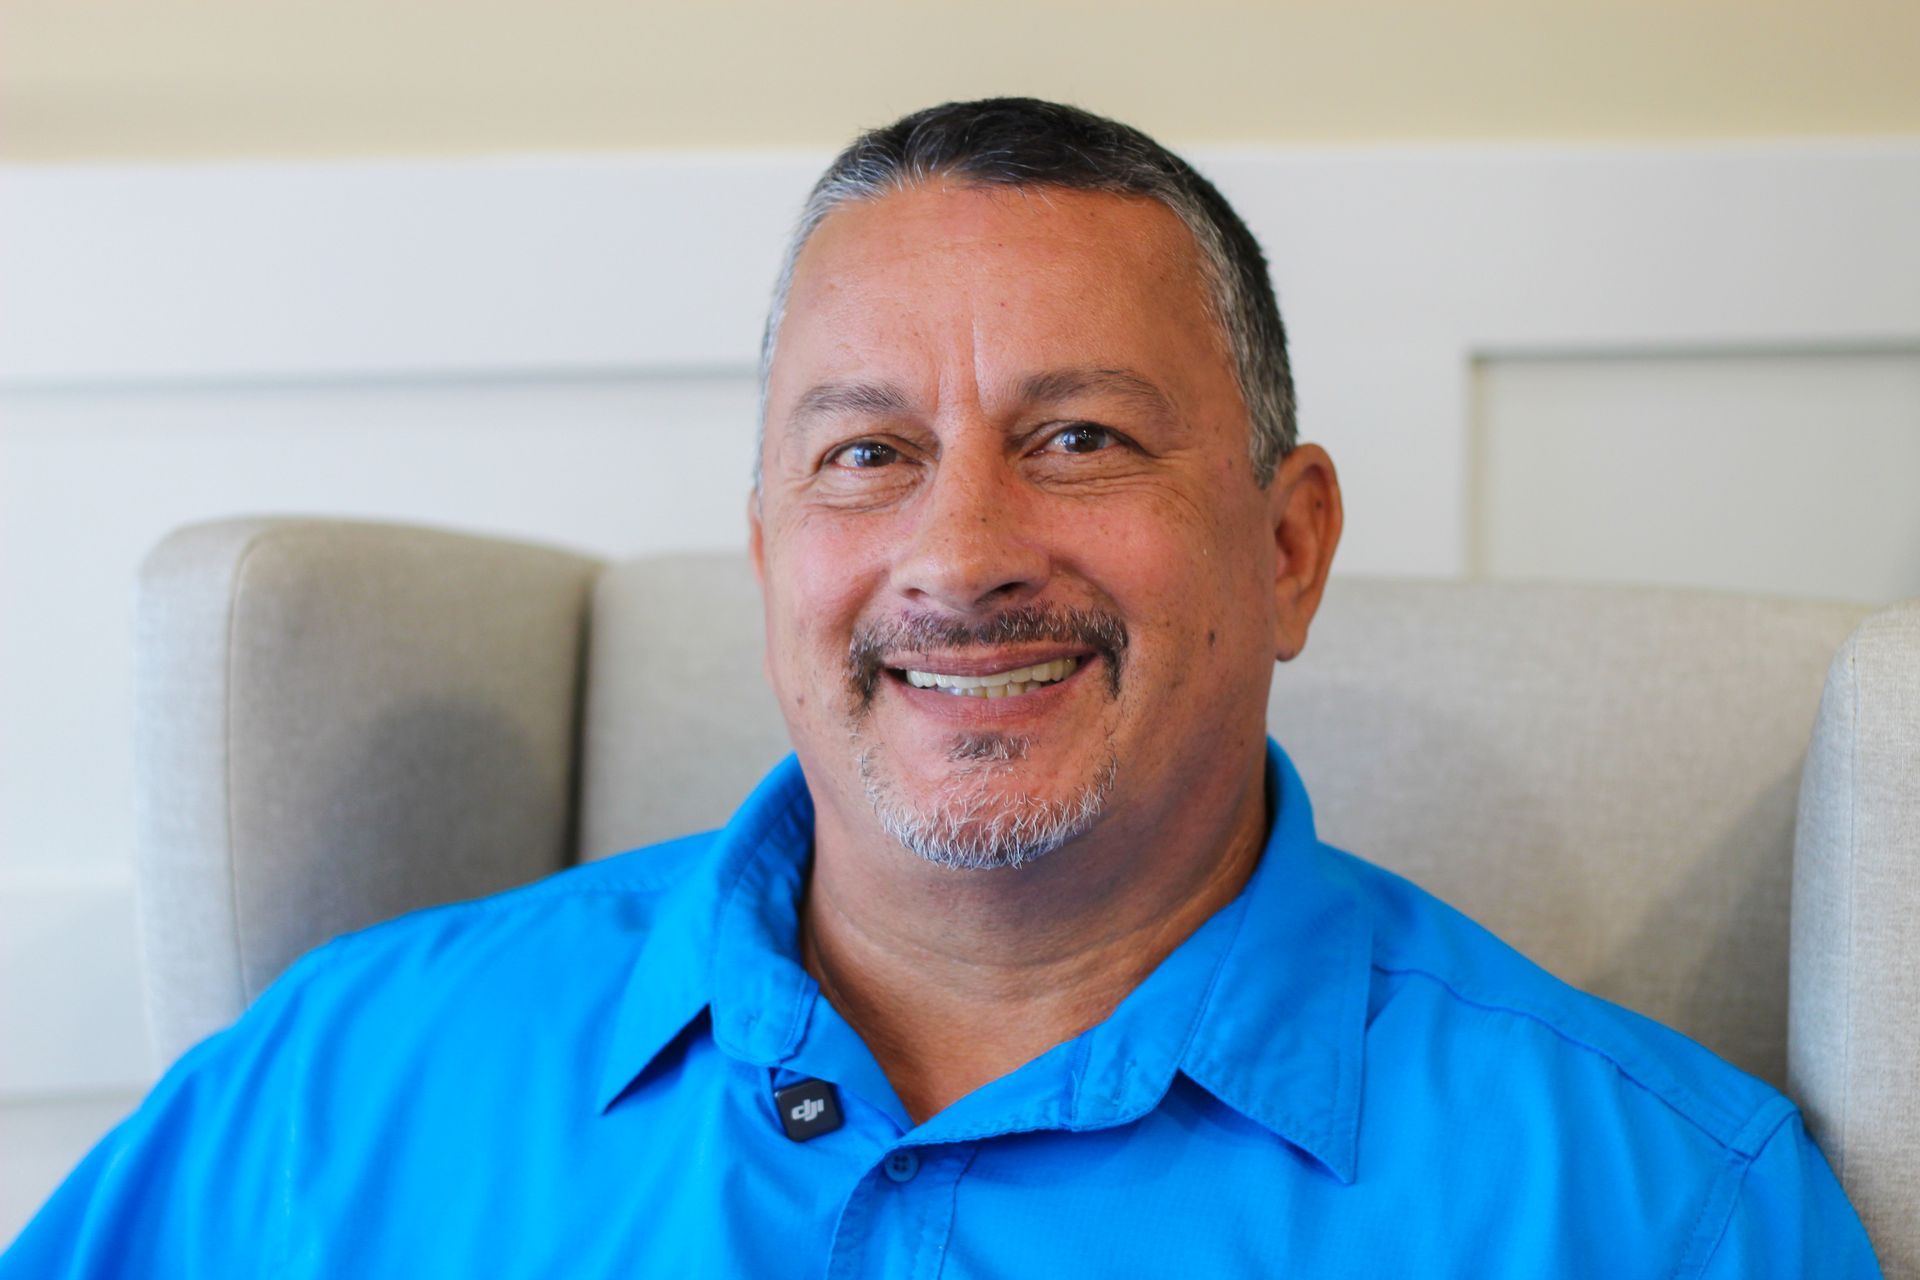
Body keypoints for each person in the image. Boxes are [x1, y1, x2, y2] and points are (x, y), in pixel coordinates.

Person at [2, 98, 1879, 1277]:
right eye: (866, 455)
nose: (961, 552)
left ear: (1289, 548)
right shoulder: (337, 1089)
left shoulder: (1658, 1212)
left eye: (1078, 439)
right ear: (769, 558)